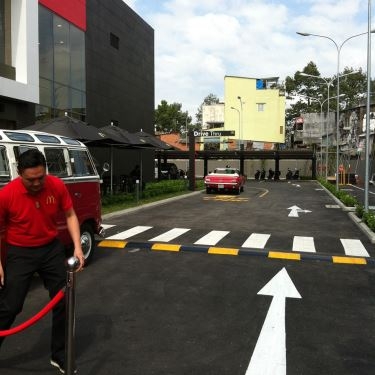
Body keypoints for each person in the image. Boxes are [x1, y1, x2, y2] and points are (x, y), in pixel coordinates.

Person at [0, 149, 84, 374]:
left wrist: (77, 247)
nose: (37, 183)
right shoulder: (7, 195)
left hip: (50, 249)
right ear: (19, 173)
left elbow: (70, 215)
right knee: (11, 305)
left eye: (40, 177)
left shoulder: (56, 185)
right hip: (20, 252)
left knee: (63, 301)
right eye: (31, 179)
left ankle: (59, 355)